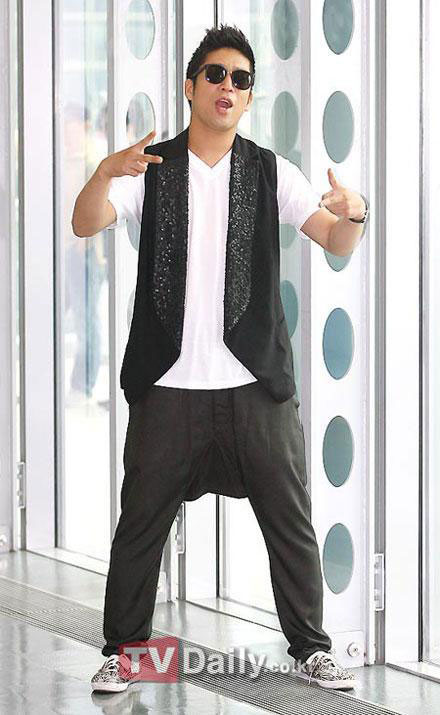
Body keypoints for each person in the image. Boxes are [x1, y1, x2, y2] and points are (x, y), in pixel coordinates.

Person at [72, 24, 368, 695]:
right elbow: (85, 222)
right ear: (190, 86)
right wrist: (103, 172)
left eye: (241, 79)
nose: (227, 86)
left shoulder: (269, 171)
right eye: (215, 74)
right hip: (169, 384)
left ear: (249, 96)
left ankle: (311, 648)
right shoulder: (151, 169)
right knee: (140, 522)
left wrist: (357, 212)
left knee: (289, 520)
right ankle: (124, 650)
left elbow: (335, 239)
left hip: (253, 383)